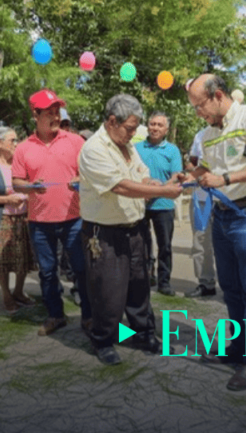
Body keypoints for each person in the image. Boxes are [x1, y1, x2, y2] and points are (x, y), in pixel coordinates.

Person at [180, 74, 246, 391]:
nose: (198, 113)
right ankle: (237, 347)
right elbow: (206, 169)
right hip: (222, 215)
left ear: (218, 95)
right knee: (231, 288)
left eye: (200, 106)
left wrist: (225, 178)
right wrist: (194, 173)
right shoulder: (208, 133)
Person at [79, 93, 183, 365]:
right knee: (108, 290)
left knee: (139, 285)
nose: (135, 133)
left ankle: (142, 332)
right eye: (130, 128)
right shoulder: (94, 149)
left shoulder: (129, 145)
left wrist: (156, 184)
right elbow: (120, 186)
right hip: (105, 233)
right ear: (112, 121)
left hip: (135, 227)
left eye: (137, 128)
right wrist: (159, 191)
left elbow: (139, 175)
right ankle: (103, 339)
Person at [12, 89, 91, 336]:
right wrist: (31, 187)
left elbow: (90, 172)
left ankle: (89, 316)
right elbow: (16, 182)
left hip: (74, 219)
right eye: (49, 113)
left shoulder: (76, 141)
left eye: (57, 112)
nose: (56, 117)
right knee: (47, 273)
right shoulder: (23, 148)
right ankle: (55, 315)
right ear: (35, 114)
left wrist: (80, 179)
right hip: (39, 222)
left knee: (81, 269)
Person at [0, 126, 36, 313]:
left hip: (22, 218)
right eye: (12, 140)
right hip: (1, 219)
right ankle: (6, 295)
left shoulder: (21, 164)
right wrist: (7, 200)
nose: (16, 144)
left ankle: (18, 291)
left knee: (22, 258)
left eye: (17, 140)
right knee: (2, 261)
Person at [135, 111, 183, 296]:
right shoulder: (137, 148)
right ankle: (147, 276)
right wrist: (144, 189)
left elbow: (175, 177)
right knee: (142, 244)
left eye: (159, 125)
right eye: (152, 124)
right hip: (141, 204)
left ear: (166, 129)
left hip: (163, 205)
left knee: (165, 245)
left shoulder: (172, 150)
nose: (154, 128)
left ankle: (164, 282)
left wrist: (157, 189)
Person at [184, 127, 217, 298]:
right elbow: (193, 162)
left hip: (230, 199)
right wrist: (192, 171)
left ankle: (236, 286)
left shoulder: (240, 131)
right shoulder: (200, 135)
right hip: (201, 200)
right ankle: (206, 282)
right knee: (200, 240)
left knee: (231, 243)